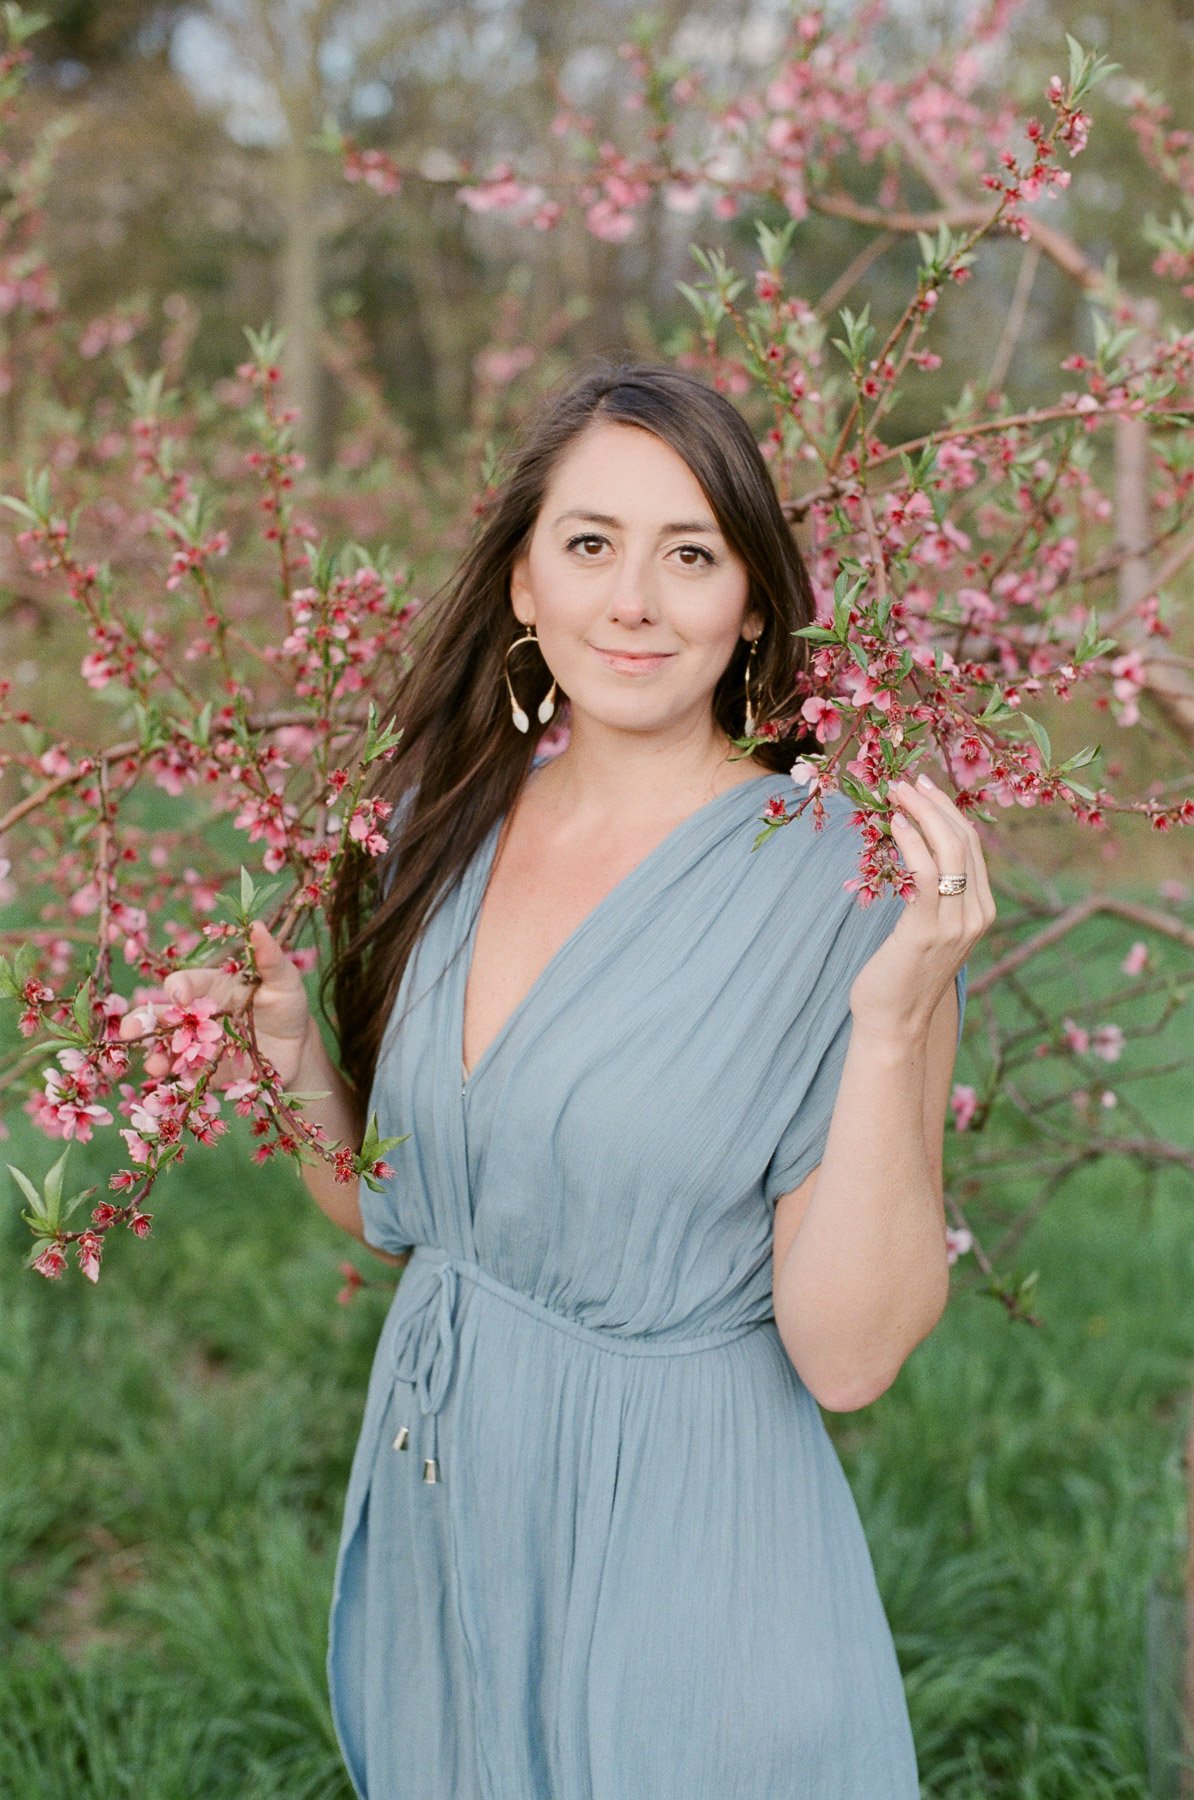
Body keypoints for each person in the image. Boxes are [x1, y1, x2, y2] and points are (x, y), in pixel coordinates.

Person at [121, 360, 995, 1797]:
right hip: (447, 1501)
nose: (632, 602)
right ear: (524, 581)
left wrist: (894, 1028)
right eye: (589, 545)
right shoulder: (441, 822)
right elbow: (411, 1222)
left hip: (683, 1549)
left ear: (754, 600)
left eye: (690, 554)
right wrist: (291, 1057)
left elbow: (849, 1357)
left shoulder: (840, 886)